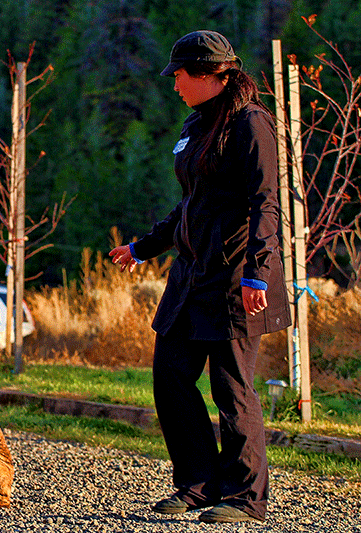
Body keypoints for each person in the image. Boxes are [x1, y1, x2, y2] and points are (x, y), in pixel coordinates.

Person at [109, 30, 290, 524]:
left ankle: (246, 497)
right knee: (170, 376)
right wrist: (143, 248)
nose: (174, 86)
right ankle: (198, 483)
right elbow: (192, 202)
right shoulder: (196, 123)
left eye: (181, 76)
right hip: (190, 276)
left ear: (212, 76)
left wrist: (257, 273)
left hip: (234, 279)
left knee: (232, 389)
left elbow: (265, 204)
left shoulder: (252, 124)